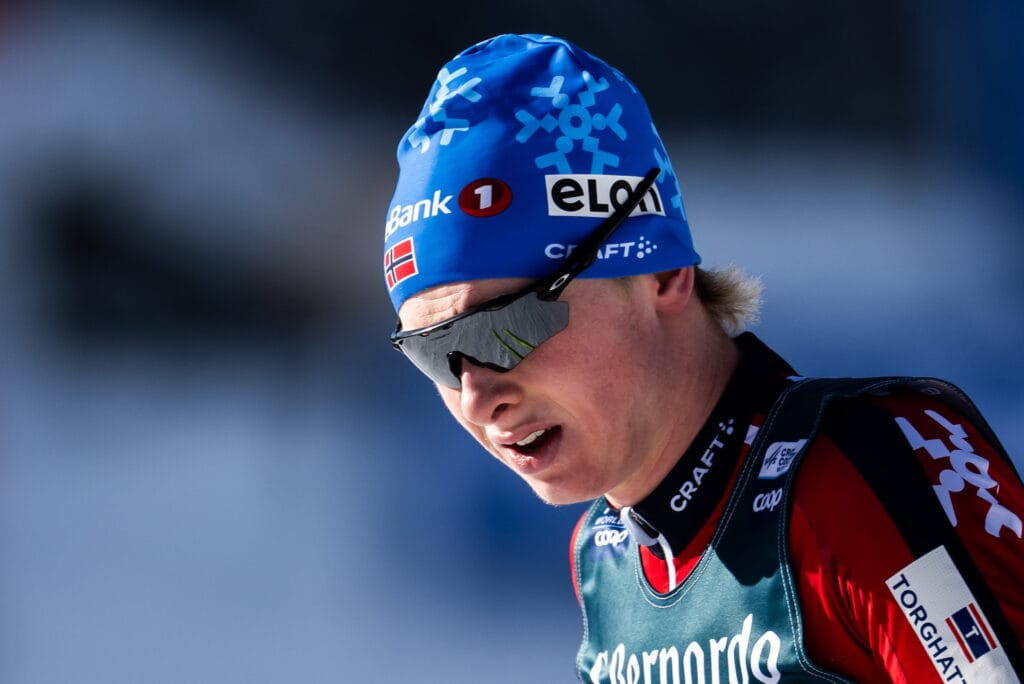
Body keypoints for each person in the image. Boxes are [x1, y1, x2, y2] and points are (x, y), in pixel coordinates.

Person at [381, 34, 1024, 683]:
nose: (477, 398)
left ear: (660, 274)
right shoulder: (606, 557)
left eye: (510, 326)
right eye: (435, 352)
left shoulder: (863, 471)